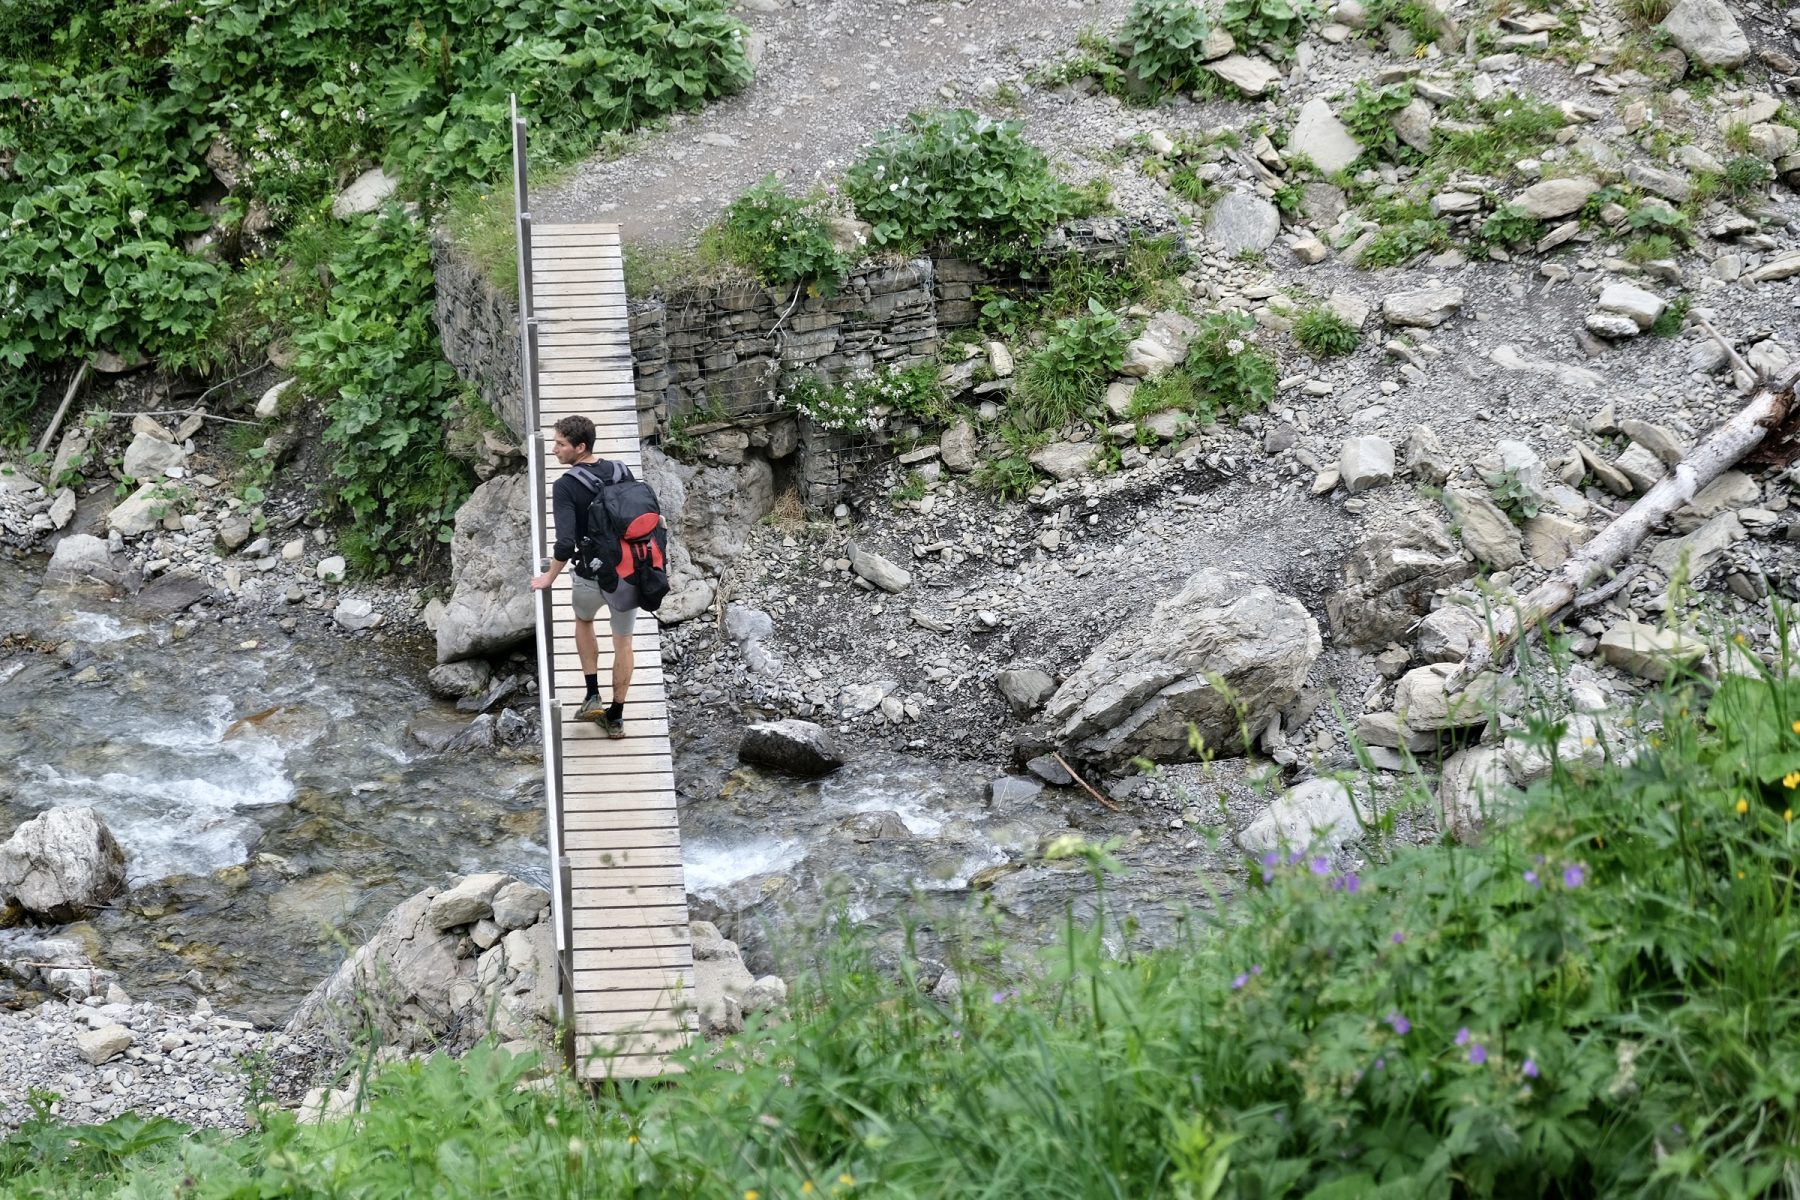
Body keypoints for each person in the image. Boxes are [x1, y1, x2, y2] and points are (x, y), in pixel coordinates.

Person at [529, 414, 638, 738]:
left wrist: (549, 577)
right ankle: (615, 717)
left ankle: (592, 695)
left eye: (560, 444)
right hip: (628, 573)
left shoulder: (565, 485)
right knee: (624, 642)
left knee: (583, 620)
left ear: (580, 447)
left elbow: (564, 542)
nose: (553, 450)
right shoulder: (621, 469)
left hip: (590, 575)